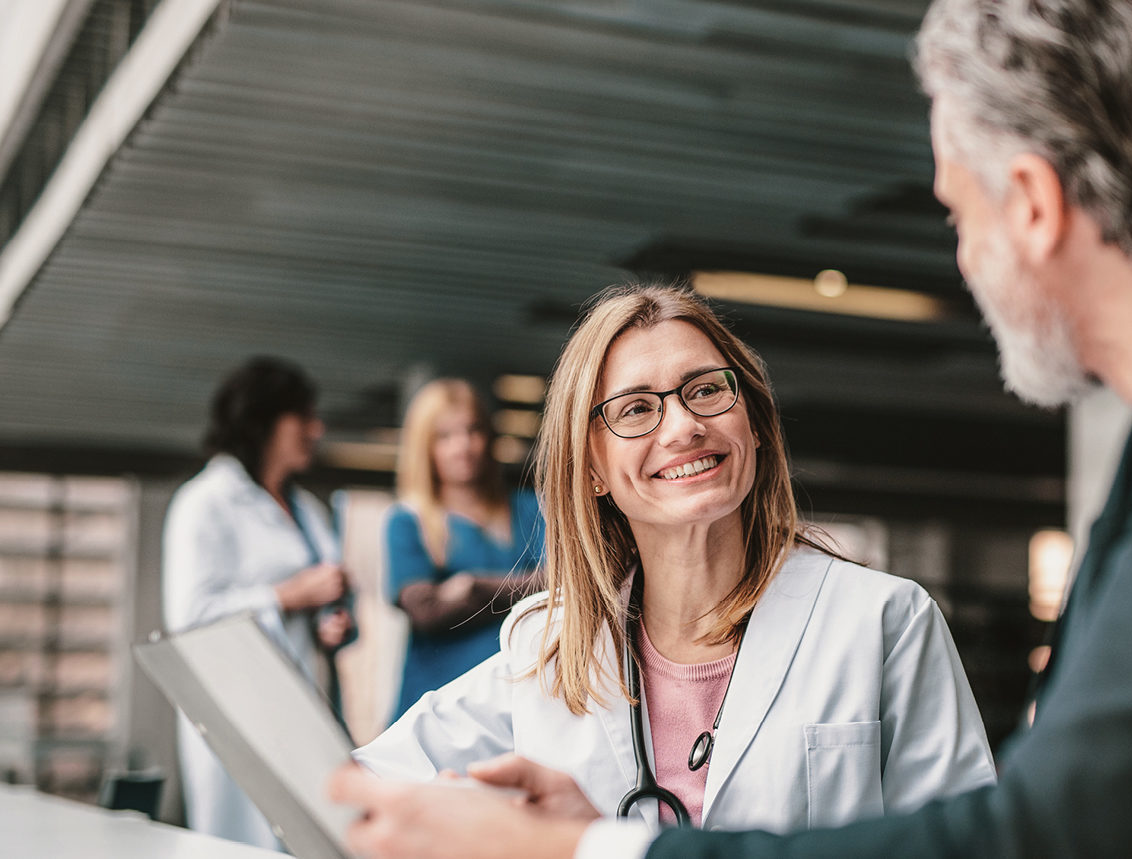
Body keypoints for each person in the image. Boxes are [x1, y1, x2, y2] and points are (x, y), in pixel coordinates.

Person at [330, 0, 1132, 856]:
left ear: (1033, 203)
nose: (961, 258)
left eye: (956, 212)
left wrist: (588, 855)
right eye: (632, 410)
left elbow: (1071, 829)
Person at [349, 284, 995, 833]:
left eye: (707, 390)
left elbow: (967, 846)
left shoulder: (884, 621)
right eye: (635, 408)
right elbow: (355, 788)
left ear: (755, 425)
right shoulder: (546, 645)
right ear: (593, 467)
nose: (682, 426)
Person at [164, 356, 355, 850]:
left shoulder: (308, 509)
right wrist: (289, 596)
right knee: (239, 844)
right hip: (236, 707)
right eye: (304, 417)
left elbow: (326, 599)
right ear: (264, 421)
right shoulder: (204, 503)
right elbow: (189, 618)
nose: (317, 429)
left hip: (304, 703)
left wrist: (331, 623)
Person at [386, 378, 547, 721]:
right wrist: (524, 588)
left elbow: (563, 584)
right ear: (424, 446)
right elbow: (426, 611)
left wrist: (473, 588)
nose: (464, 446)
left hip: (521, 697)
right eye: (445, 436)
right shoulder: (407, 521)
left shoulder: (530, 508)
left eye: (473, 430)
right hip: (439, 703)